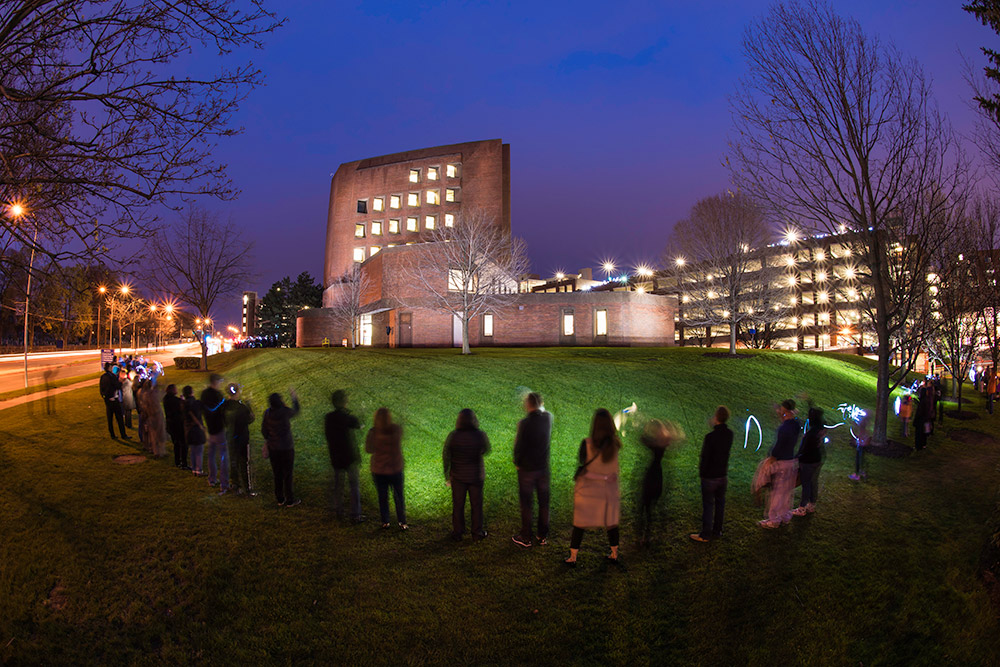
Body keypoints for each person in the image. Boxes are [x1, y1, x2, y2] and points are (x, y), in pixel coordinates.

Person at [565, 408, 622, 566]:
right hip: (608, 493)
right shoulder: (615, 444)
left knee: (580, 524)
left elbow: (585, 469)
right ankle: (614, 553)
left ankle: (573, 557)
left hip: (588, 493)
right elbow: (614, 472)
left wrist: (599, 476)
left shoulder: (587, 444)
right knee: (611, 523)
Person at [511, 392, 553, 548]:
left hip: (527, 470)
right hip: (543, 469)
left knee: (527, 504)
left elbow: (519, 446)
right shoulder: (548, 418)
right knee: (544, 504)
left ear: (527, 405)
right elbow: (543, 410)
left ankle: (526, 537)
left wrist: (517, 462)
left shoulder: (524, 424)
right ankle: (542, 536)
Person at [443, 408, 491, 540]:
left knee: (458, 505)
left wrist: (447, 475)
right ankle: (477, 532)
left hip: (458, 476)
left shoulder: (453, 436)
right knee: (477, 505)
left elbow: (446, 455)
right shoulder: (480, 435)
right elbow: (487, 449)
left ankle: (458, 532)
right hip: (476, 476)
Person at [690, 406, 733, 542]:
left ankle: (705, 534)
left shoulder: (710, 437)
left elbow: (705, 457)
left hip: (710, 477)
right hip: (722, 475)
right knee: (720, 504)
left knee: (708, 505)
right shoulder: (729, 434)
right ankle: (717, 530)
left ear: (716, 417)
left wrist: (702, 473)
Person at [760, 399, 800, 529]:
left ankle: (774, 520)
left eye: (782, 411)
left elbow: (780, 444)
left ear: (786, 411)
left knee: (777, 492)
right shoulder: (796, 423)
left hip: (781, 462)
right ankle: (785, 516)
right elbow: (788, 423)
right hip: (791, 462)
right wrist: (782, 414)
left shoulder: (784, 428)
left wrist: (772, 457)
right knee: (786, 492)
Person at [365, 407, 407, 529]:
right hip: (395, 468)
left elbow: (368, 449)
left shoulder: (373, 432)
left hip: (379, 470)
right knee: (399, 496)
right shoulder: (396, 430)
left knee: (382, 496)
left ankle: (385, 521)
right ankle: (402, 521)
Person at [324, 390, 362, 521]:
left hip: (336, 457)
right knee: (354, 486)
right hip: (349, 457)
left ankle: (338, 511)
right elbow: (358, 424)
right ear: (343, 401)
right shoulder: (346, 417)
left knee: (338, 486)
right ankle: (355, 514)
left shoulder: (329, 418)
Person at [261, 389, 301, 507]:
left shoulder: (267, 413)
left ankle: (280, 498)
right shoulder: (284, 412)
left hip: (274, 448)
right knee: (288, 474)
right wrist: (294, 398)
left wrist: (269, 439)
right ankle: (290, 499)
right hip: (287, 447)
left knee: (277, 474)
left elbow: (264, 431)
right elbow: (296, 411)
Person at [637, 419, 673, 546]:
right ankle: (657, 532)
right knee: (655, 506)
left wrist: (645, 426)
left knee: (645, 507)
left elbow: (642, 438)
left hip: (651, 476)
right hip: (659, 476)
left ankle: (645, 535)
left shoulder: (655, 445)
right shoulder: (663, 443)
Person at [793, 406, 826, 515]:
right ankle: (811, 504)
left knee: (806, 483)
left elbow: (805, 449)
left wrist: (797, 457)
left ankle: (802, 507)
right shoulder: (820, 428)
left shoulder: (811, 434)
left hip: (808, 461)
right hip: (817, 459)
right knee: (813, 482)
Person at [225, 383, 256, 496]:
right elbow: (250, 419)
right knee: (244, 463)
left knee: (233, 461)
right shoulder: (242, 408)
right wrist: (249, 405)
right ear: (237, 392)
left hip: (230, 438)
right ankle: (247, 488)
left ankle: (235, 485)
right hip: (242, 439)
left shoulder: (224, 406)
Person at [201, 374, 230, 494]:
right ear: (215, 382)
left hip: (210, 429)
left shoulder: (204, 394)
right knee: (223, 457)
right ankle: (224, 485)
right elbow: (222, 411)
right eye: (219, 381)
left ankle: (212, 479)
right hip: (218, 429)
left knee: (211, 456)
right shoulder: (218, 396)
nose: (220, 384)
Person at [140, 375, 167, 457]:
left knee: (153, 434)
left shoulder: (144, 395)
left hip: (149, 416)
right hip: (156, 415)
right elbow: (162, 395)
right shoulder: (153, 394)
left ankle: (155, 451)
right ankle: (161, 451)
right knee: (160, 433)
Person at [99, 363, 128, 440]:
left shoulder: (103, 377)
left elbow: (101, 389)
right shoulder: (111, 377)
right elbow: (117, 385)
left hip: (108, 401)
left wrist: (105, 397)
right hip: (114, 400)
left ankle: (112, 434)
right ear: (109, 368)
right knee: (119, 418)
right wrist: (121, 381)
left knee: (110, 418)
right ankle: (123, 434)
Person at [182, 385, 206, 475]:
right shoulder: (195, 403)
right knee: (199, 450)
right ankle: (199, 470)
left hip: (188, 429)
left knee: (193, 450)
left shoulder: (184, 404)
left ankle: (194, 468)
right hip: (196, 429)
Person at [164, 384, 188, 469]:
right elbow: (182, 408)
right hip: (177, 424)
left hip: (170, 424)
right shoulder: (176, 401)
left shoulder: (166, 399)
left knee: (176, 443)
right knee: (183, 443)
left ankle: (177, 461)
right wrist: (182, 400)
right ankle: (184, 462)